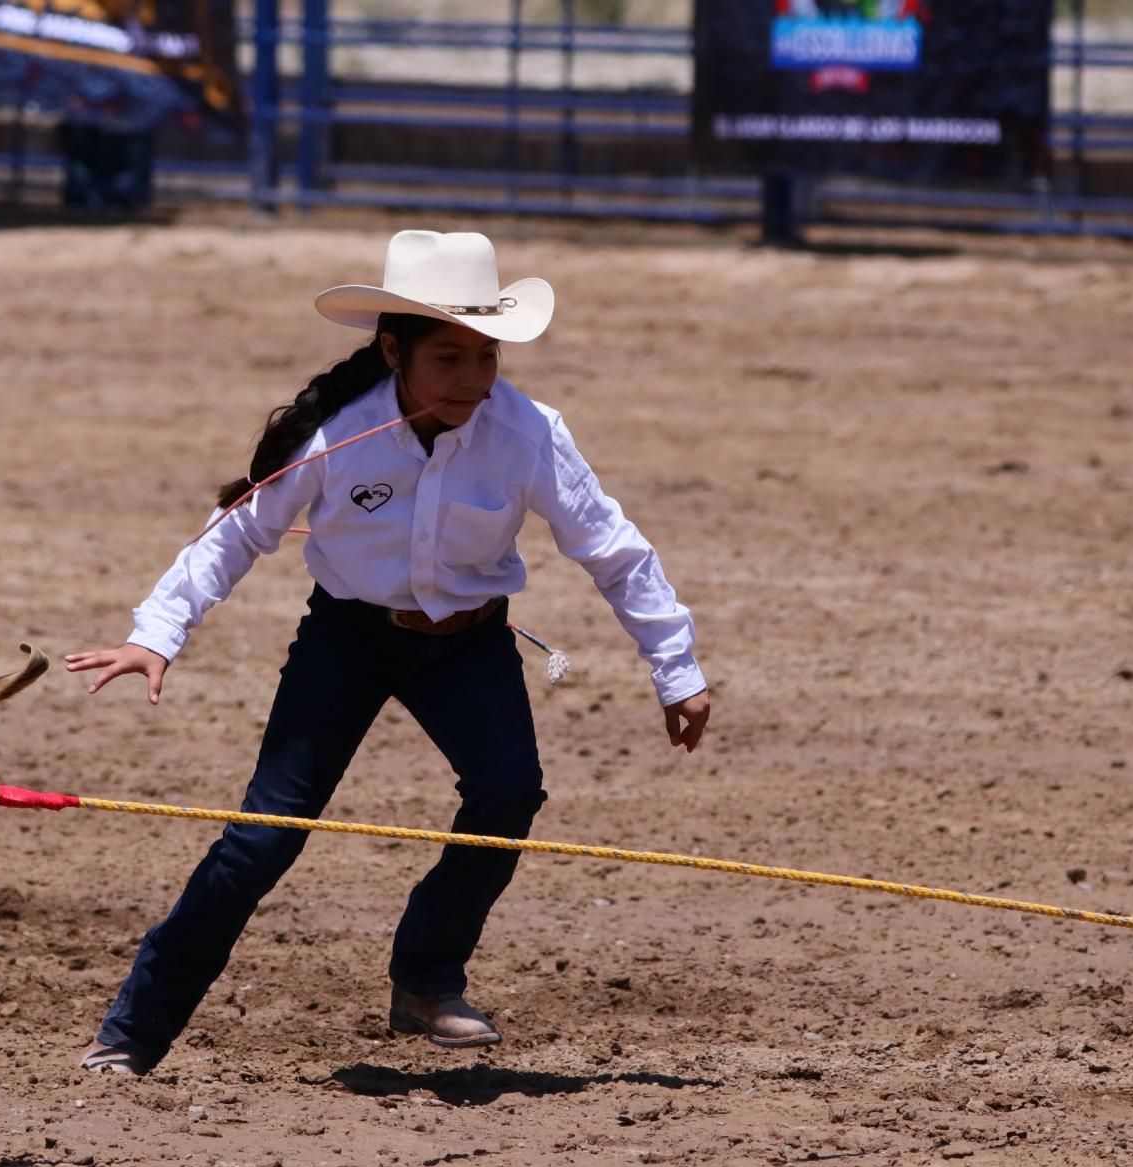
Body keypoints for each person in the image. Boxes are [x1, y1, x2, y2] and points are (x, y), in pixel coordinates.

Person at [64, 230, 711, 1075]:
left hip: (471, 642)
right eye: (451, 358)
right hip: (349, 638)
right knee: (265, 835)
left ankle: (427, 978)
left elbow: (614, 550)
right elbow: (237, 535)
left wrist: (677, 668)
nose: (475, 380)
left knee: (509, 792)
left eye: (488, 356)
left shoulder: (529, 433)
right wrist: (155, 635)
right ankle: (133, 1032)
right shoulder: (337, 435)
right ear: (393, 350)